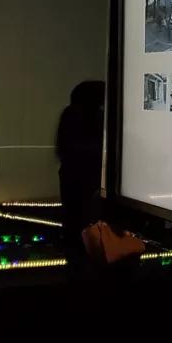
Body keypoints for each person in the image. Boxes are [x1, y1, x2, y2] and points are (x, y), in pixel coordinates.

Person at [55, 80, 106, 273]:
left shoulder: (69, 117)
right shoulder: (95, 120)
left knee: (74, 227)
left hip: (71, 178)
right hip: (88, 182)